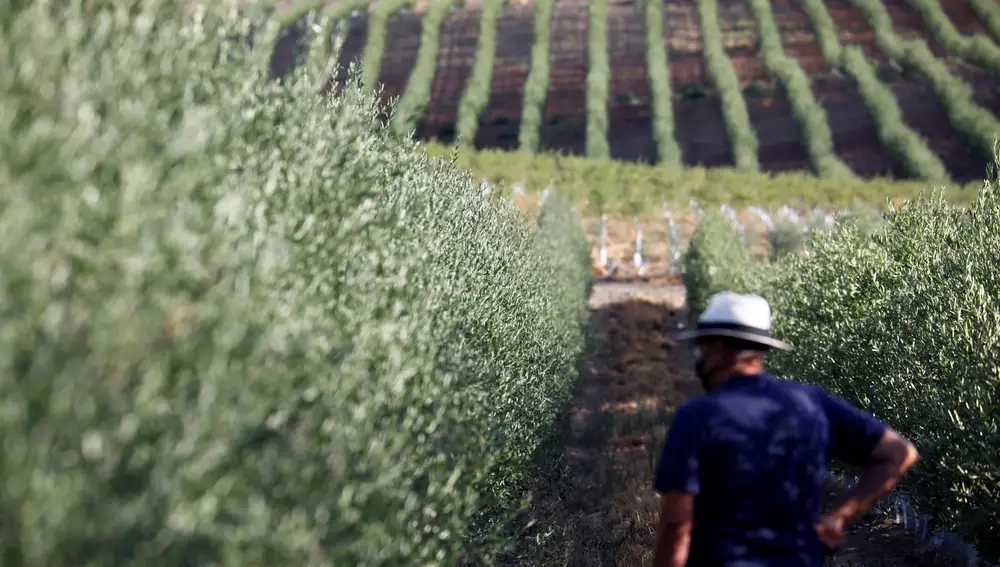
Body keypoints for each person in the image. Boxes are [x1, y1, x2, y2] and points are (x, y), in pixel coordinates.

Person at [652, 292, 919, 567]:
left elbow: (676, 527)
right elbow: (899, 453)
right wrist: (839, 518)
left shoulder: (697, 417)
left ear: (718, 349)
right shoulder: (810, 403)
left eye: (702, 348)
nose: (700, 358)